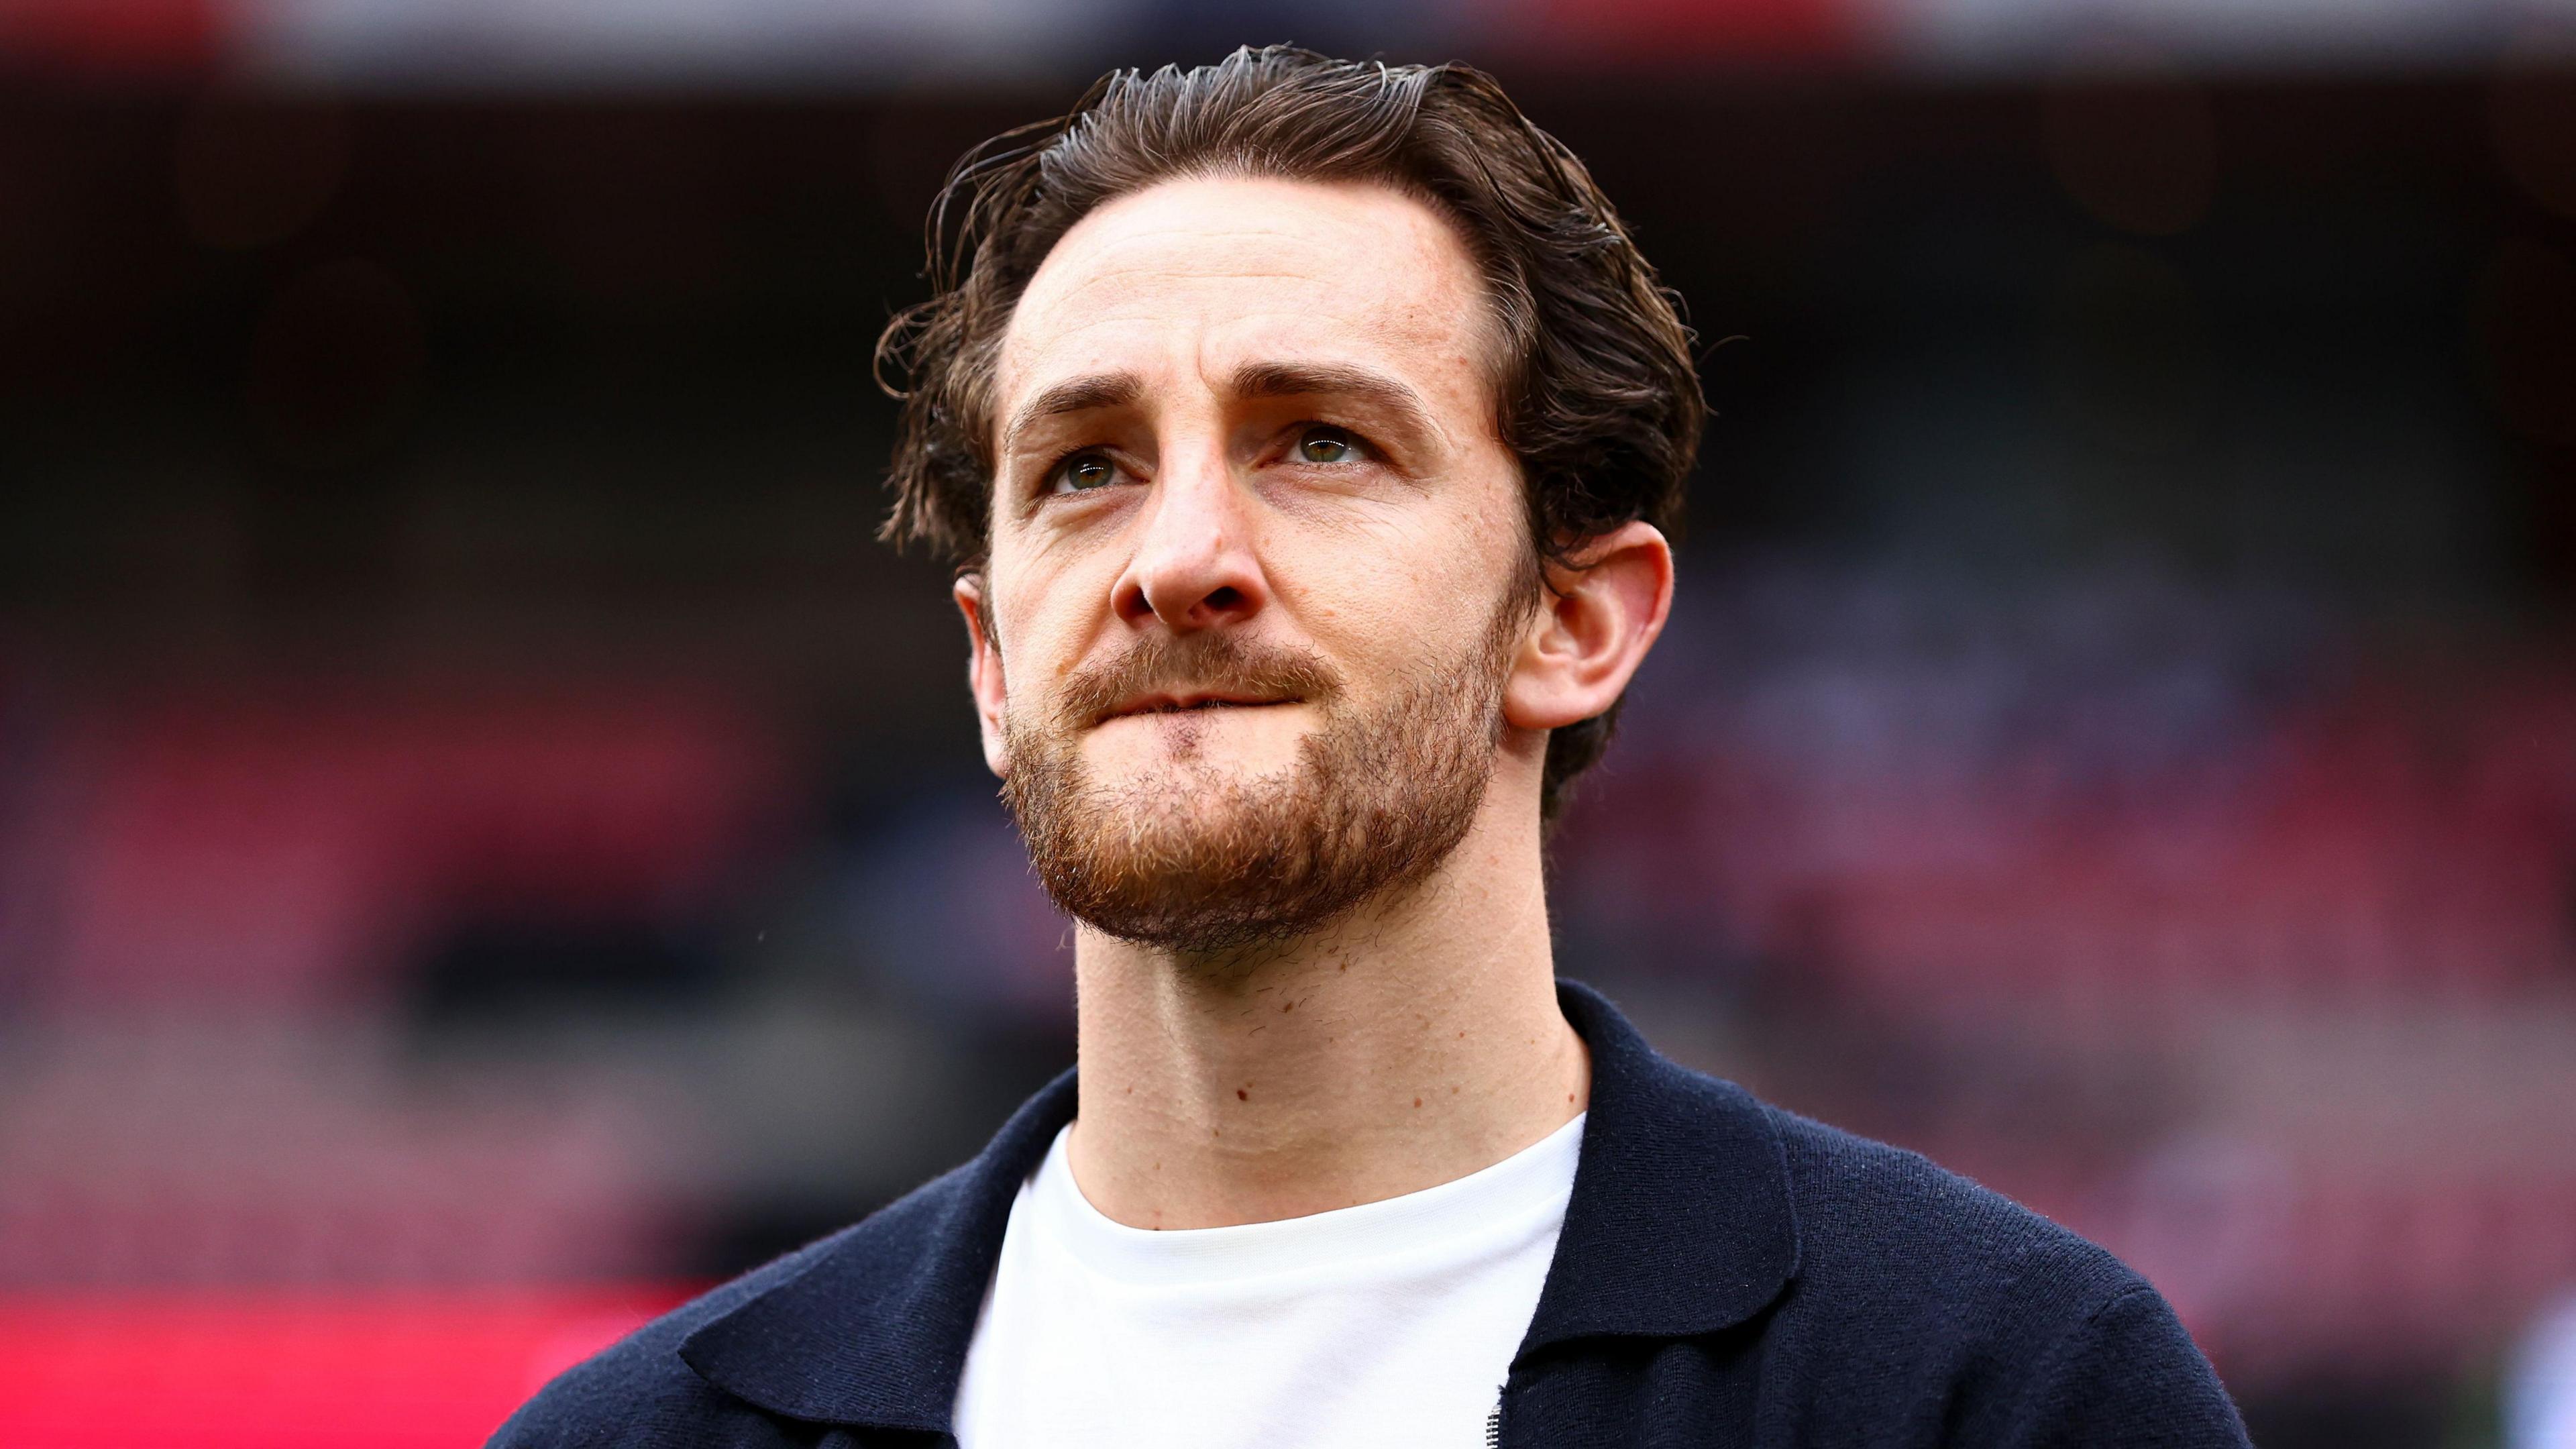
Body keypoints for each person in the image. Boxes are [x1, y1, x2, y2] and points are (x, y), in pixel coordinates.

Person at [492, 46, 2251, 1449]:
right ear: (992, 665)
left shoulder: (1998, 1392)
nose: (1177, 558)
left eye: (1319, 440)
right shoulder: (646, 1438)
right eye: (1087, 465)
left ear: (1576, 619)